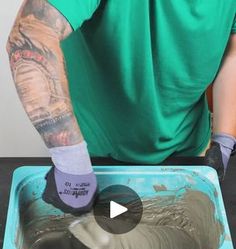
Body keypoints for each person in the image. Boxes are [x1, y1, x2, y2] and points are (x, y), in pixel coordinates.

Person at [7, 0, 236, 214]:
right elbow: (31, 36)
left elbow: (233, 51)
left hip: (191, 152)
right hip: (94, 160)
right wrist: (72, 162)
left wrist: (224, 140)